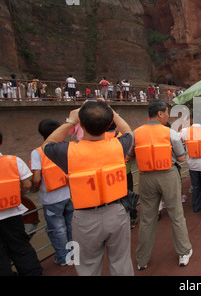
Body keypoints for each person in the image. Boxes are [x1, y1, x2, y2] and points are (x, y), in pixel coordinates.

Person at [42, 100, 134, 276]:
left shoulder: (68, 152)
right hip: (117, 213)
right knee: (121, 262)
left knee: (87, 266)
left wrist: (70, 121)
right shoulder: (118, 146)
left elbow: (47, 144)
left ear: (81, 124)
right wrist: (112, 112)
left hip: (84, 219)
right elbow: (128, 131)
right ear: (109, 124)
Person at [129, 99, 193, 269]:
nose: (167, 115)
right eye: (166, 112)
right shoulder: (170, 133)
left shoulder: (136, 133)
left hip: (145, 178)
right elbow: (181, 158)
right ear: (159, 113)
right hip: (168, 175)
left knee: (147, 219)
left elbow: (130, 156)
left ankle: (142, 260)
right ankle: (184, 252)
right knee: (176, 215)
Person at [31, 119, 74, 266]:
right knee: (71, 225)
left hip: (51, 199)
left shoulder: (38, 153)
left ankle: (63, 258)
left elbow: (36, 178)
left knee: (58, 230)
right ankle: (74, 254)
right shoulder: (65, 148)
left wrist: (32, 187)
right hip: (69, 193)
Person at [0, 132, 43, 276]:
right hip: (12, 213)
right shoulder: (13, 161)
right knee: (20, 247)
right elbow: (26, 183)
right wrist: (18, 197)